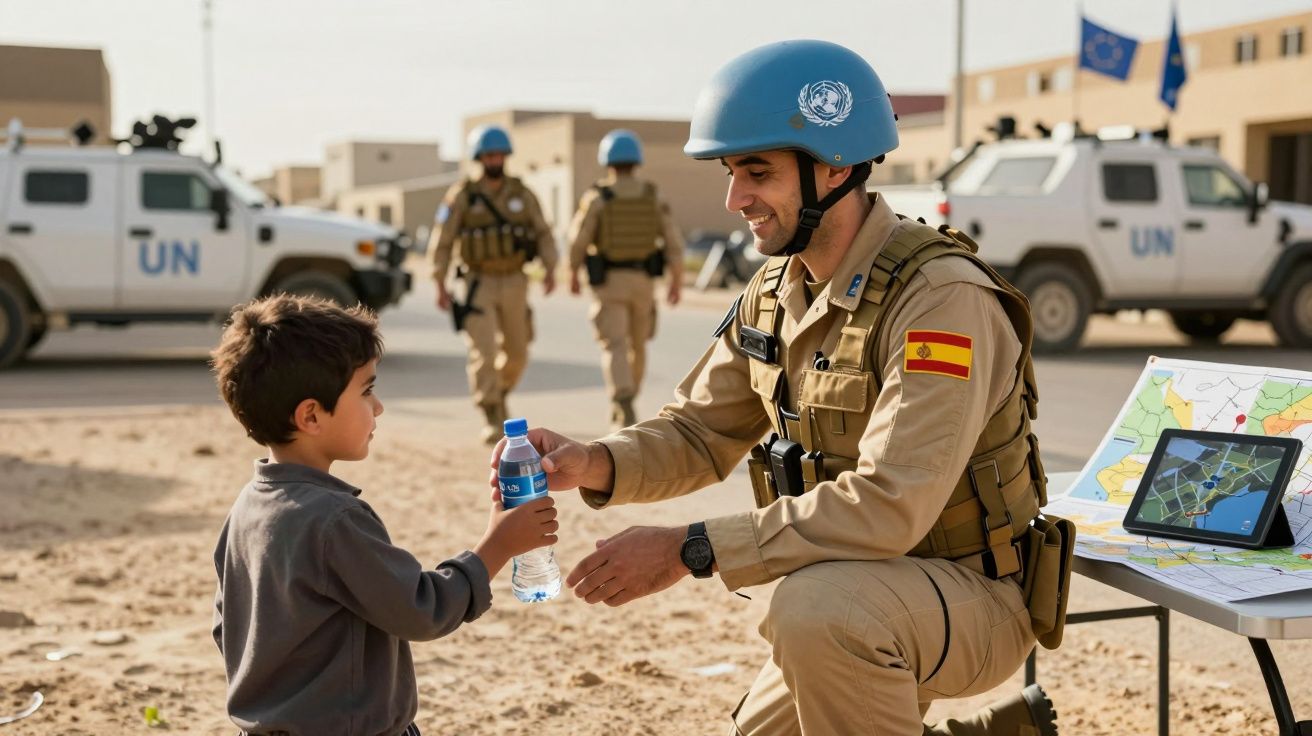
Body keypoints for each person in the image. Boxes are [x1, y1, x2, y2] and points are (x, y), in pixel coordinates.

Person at [491, 40, 1072, 735]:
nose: (736, 198)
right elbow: (698, 433)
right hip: (858, 585)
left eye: (758, 172)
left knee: (813, 612)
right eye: (733, 172)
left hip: (971, 595)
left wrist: (689, 548)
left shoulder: (942, 300)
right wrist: (593, 460)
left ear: (833, 167)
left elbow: (891, 505)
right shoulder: (776, 288)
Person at [210, 294, 558, 735]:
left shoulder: (247, 506)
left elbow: (228, 629)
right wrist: (497, 545)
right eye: (367, 390)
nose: (378, 407)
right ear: (311, 415)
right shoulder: (335, 520)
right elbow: (420, 609)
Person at [427, 124, 559, 444]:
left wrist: (551, 267)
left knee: (518, 352)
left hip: (515, 280)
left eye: (499, 154)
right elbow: (442, 240)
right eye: (489, 154)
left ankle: (497, 393)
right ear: (479, 158)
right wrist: (439, 281)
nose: (495, 159)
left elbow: (542, 231)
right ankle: (491, 412)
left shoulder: (522, 194)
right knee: (483, 353)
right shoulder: (462, 195)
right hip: (478, 282)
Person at [565, 129, 686, 429]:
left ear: (608, 161)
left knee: (614, 345)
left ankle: (623, 400)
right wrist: (676, 280)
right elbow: (673, 241)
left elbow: (578, 239)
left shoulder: (598, 197)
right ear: (637, 160)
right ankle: (629, 396)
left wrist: (572, 272)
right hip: (643, 281)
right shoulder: (652, 195)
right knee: (638, 345)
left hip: (608, 283)